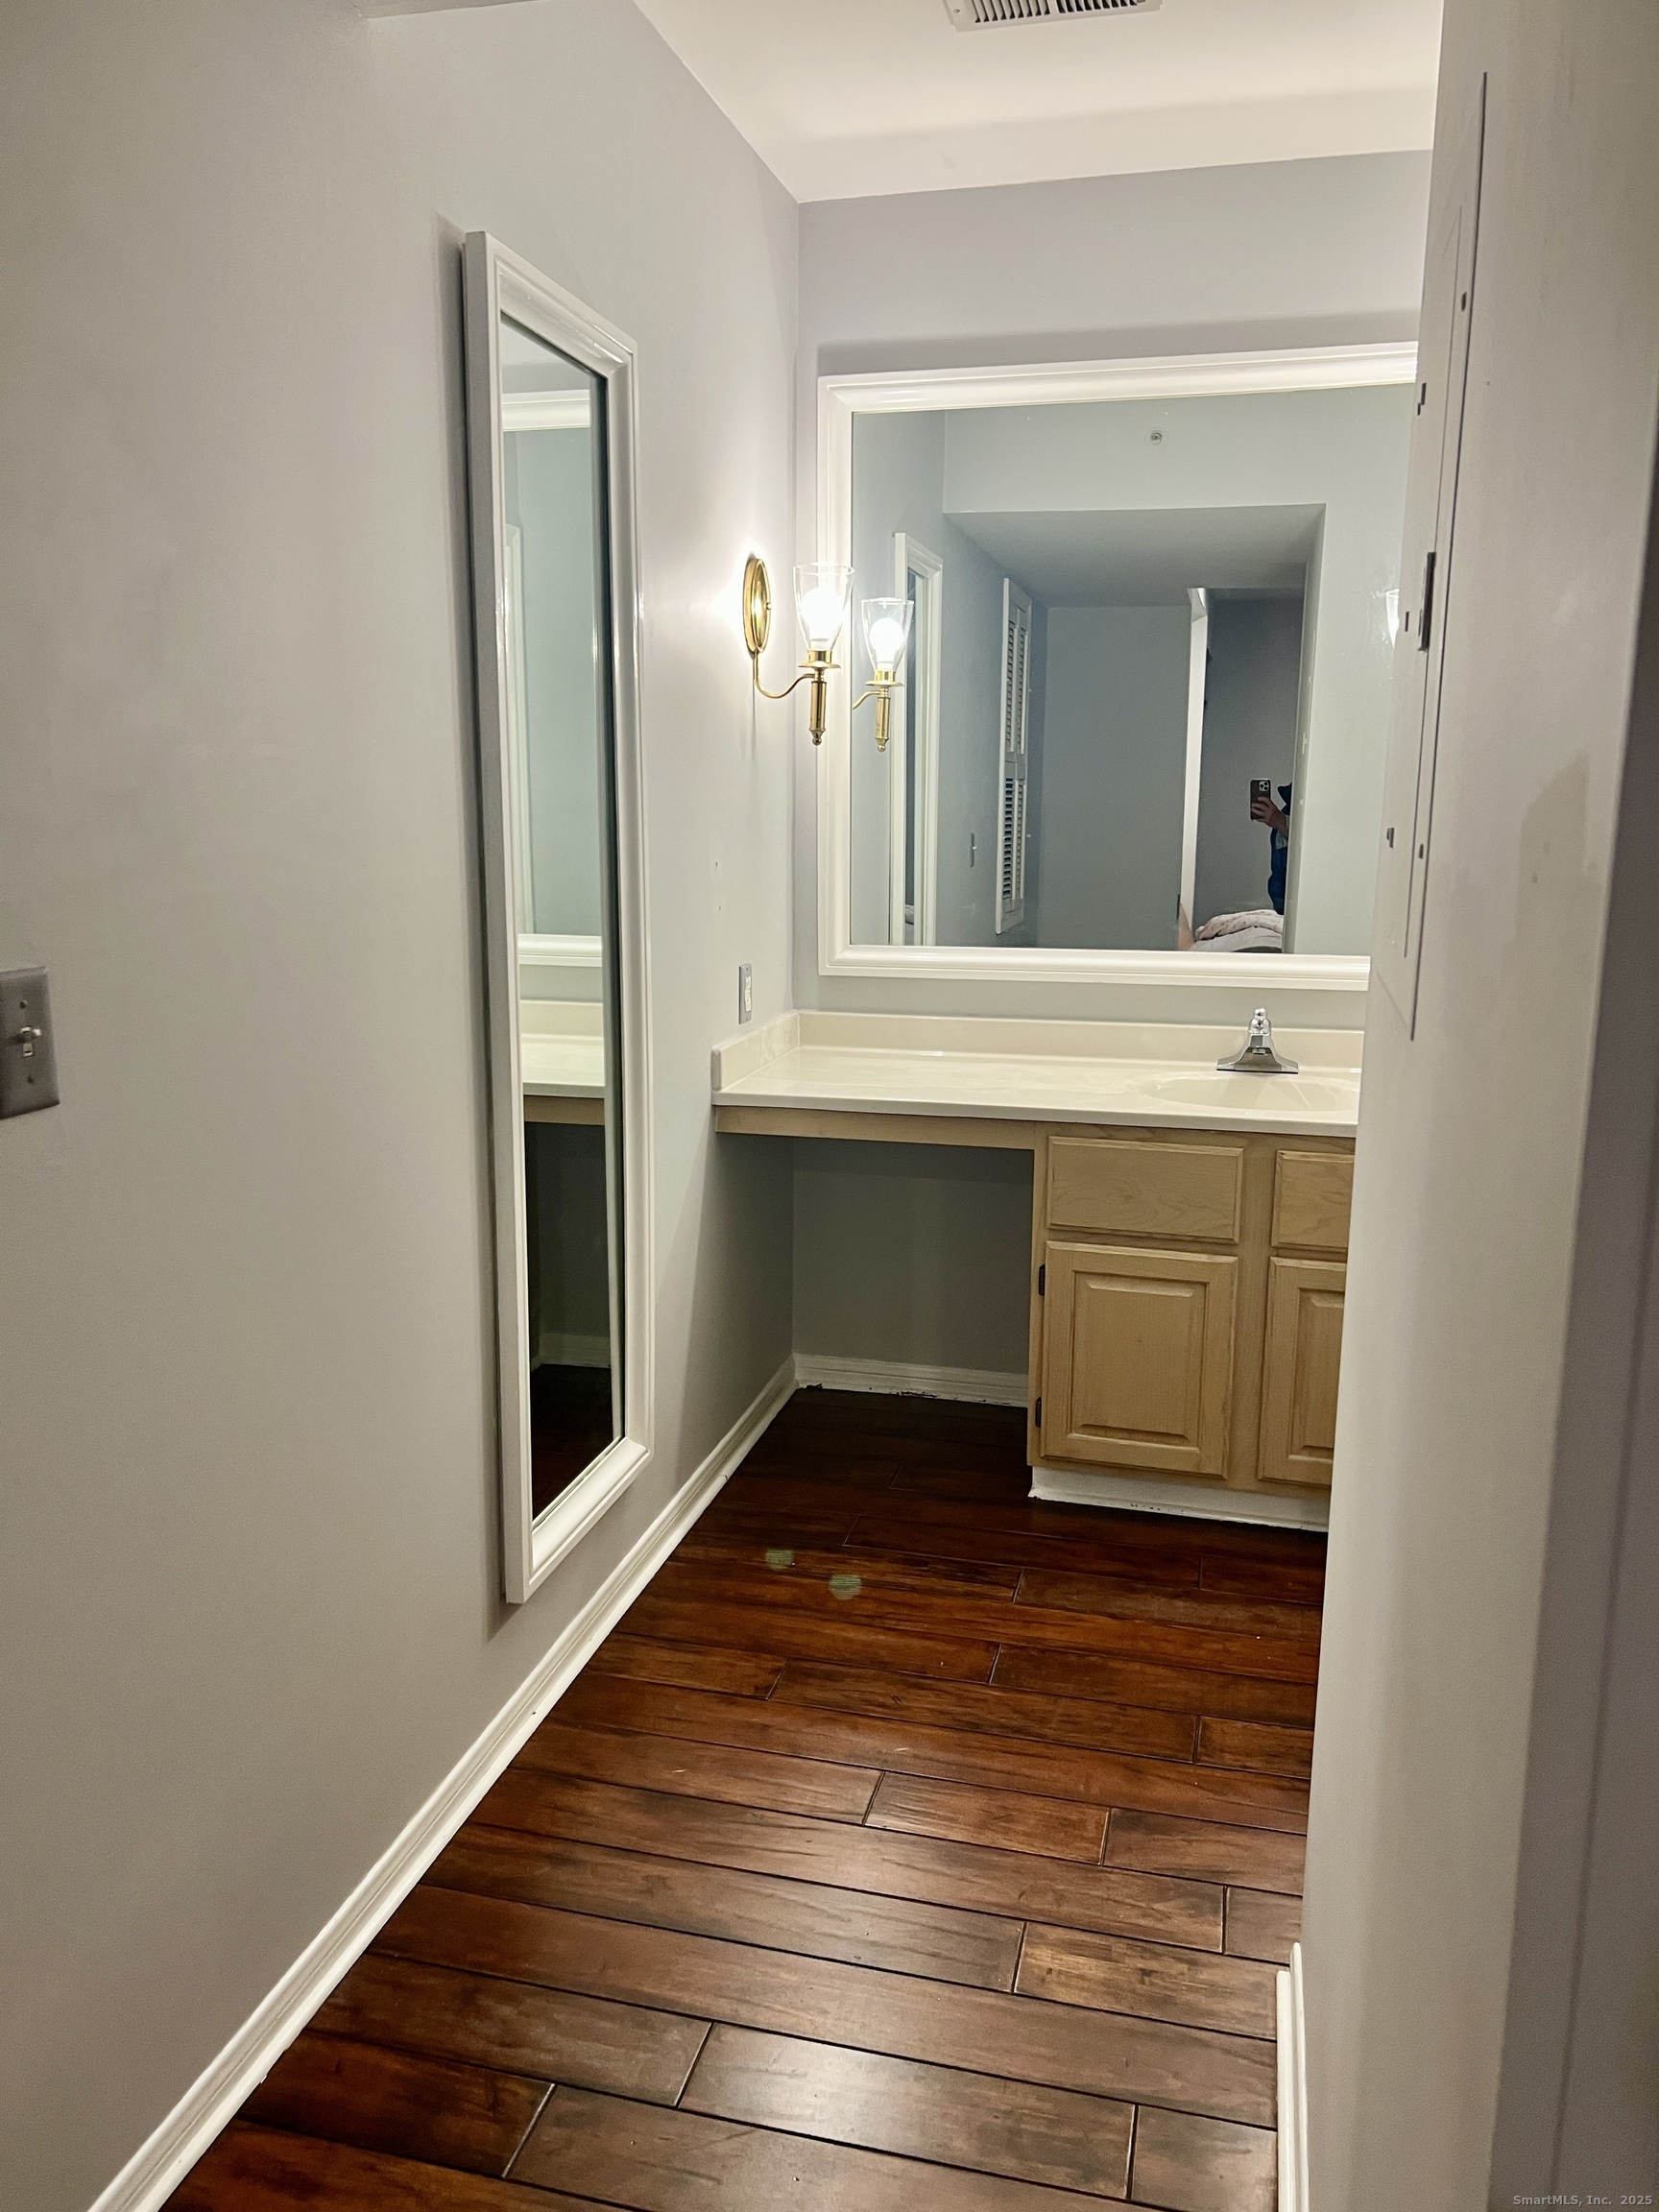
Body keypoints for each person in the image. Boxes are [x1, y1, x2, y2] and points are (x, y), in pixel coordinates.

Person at [1252, 781, 1292, 915]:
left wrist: (1283, 823)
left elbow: (1321, 848)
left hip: (1309, 910)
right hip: (1285, 907)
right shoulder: (1288, 810)